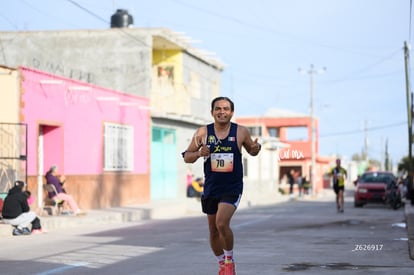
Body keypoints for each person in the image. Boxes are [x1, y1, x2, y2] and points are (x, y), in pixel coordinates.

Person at [182, 96, 261, 275]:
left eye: (226, 109)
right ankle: (221, 263)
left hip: (232, 187)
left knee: (221, 223)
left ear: (232, 112)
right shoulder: (203, 133)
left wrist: (256, 149)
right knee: (213, 231)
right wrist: (199, 153)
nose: (222, 112)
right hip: (211, 187)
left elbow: (252, 150)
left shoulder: (241, 132)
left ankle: (229, 261)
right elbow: (187, 155)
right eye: (218, 109)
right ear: (212, 112)